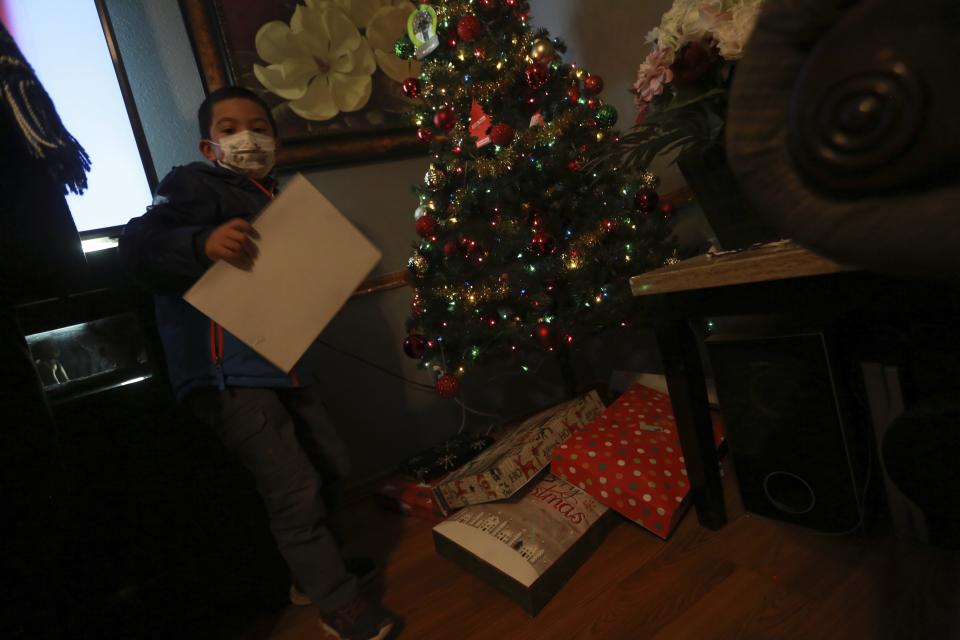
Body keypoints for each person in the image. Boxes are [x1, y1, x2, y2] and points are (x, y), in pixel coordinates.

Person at [119, 86, 396, 640]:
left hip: (285, 359)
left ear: (277, 140)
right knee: (291, 485)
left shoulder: (279, 200)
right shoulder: (194, 191)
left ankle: (313, 573)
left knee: (331, 465)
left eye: (259, 126)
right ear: (208, 145)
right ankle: (336, 601)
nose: (246, 136)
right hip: (231, 374)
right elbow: (139, 244)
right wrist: (201, 243)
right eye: (229, 128)